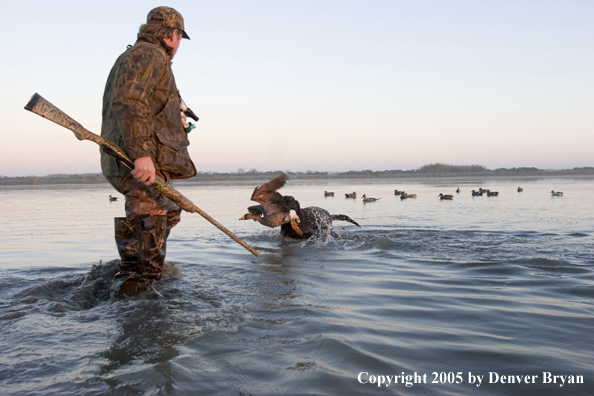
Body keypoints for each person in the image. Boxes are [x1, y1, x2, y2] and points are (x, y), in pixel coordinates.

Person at [100, 6, 196, 297]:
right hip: (138, 161)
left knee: (168, 211)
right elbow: (130, 101)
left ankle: (128, 278)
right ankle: (137, 300)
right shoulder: (150, 55)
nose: (178, 46)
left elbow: (141, 105)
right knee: (148, 252)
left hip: (140, 160)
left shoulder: (139, 56)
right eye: (180, 39)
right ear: (174, 35)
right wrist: (142, 154)